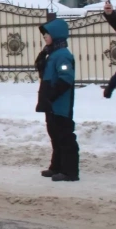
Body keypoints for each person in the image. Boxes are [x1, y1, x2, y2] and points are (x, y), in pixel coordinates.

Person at [35, 17, 79, 182]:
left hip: (60, 104)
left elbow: (66, 78)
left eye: (47, 34)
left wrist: (52, 96)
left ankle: (70, 171)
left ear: (57, 35)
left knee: (65, 136)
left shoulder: (62, 55)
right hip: (51, 104)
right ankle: (56, 167)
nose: (45, 37)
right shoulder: (52, 54)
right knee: (54, 135)